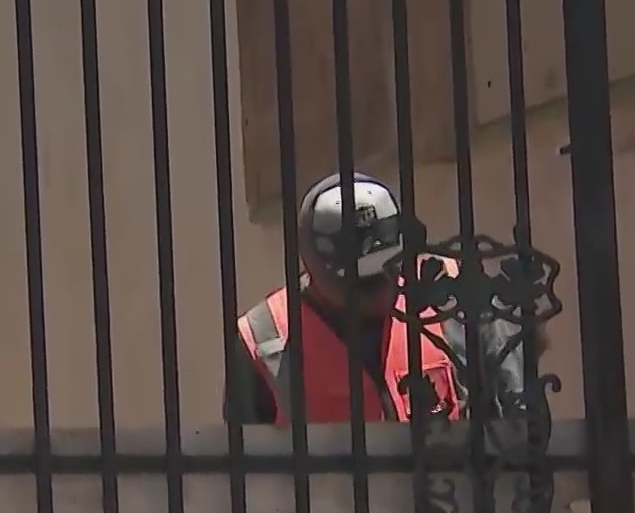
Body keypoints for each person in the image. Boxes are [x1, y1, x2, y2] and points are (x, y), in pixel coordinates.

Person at [224, 171, 542, 426]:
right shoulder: (263, 338)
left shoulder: (453, 294)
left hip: (448, 501)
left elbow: (511, 413)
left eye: (386, 271)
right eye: (354, 280)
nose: (375, 287)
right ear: (310, 263)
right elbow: (243, 477)